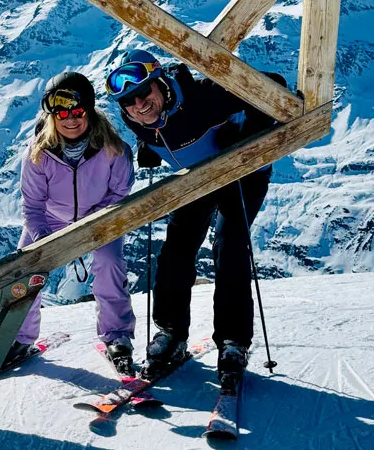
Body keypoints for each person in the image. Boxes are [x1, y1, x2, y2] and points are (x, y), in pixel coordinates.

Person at [105, 48, 285, 383]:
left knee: (230, 246)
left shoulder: (203, 97)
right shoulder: (137, 119)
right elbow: (161, 129)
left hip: (242, 172)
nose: (139, 104)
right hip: (196, 177)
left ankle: (233, 341)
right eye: (128, 101)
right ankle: (171, 333)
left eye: (144, 92)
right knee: (176, 249)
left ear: (161, 83)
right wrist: (147, 146)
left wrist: (247, 135)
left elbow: (273, 84)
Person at [5, 72, 137, 375]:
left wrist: (94, 224)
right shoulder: (39, 153)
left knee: (110, 263)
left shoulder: (112, 148)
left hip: (101, 217)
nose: (70, 120)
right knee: (24, 270)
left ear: (89, 110)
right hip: (50, 219)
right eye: (61, 114)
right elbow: (33, 206)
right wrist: (46, 243)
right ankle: (19, 337)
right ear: (52, 117)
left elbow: (120, 192)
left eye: (77, 112)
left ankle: (117, 336)